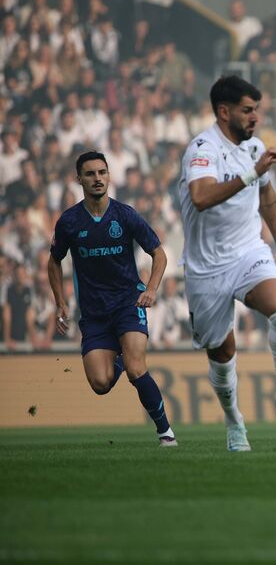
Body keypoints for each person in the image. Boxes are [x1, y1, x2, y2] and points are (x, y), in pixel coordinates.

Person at [178, 75, 276, 452]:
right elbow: (201, 197)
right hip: (206, 267)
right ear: (224, 112)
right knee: (222, 353)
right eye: (247, 110)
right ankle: (234, 420)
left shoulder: (255, 147)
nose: (255, 117)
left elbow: (266, 195)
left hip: (249, 251)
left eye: (257, 110)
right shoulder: (203, 148)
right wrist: (253, 172)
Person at [47, 151, 177, 446]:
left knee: (136, 368)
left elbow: (158, 253)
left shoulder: (125, 215)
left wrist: (151, 288)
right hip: (94, 313)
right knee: (100, 384)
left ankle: (166, 432)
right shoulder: (69, 221)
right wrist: (60, 302)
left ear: (109, 176)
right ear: (79, 179)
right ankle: (119, 358)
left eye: (102, 172)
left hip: (128, 302)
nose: (97, 178)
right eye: (90, 174)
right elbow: (53, 261)